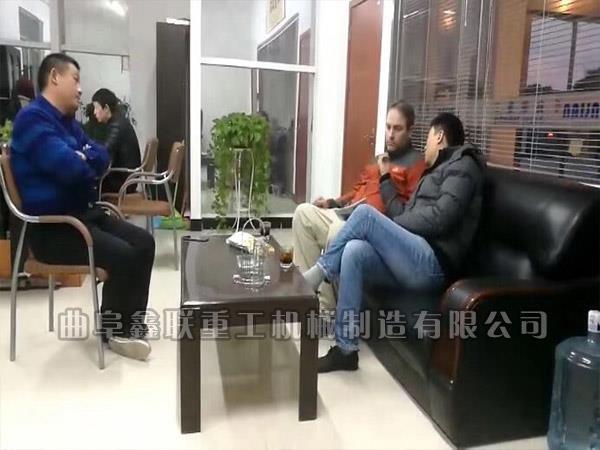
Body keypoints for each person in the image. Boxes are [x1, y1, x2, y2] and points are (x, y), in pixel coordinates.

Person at [302, 112, 486, 373]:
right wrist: (386, 179)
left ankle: (318, 273)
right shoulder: (436, 171)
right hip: (413, 256)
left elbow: (441, 218)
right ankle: (345, 350)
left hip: (434, 262)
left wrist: (390, 225)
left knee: (365, 215)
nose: (425, 146)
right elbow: (402, 213)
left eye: (428, 138)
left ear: (439, 136)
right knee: (354, 251)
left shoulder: (464, 165)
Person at [10, 53, 155, 361]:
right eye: (75, 80)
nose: (80, 89)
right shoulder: (32, 120)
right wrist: (82, 157)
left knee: (144, 242)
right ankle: (114, 332)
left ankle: (129, 324)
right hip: (55, 227)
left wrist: (82, 155)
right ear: (54, 77)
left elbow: (102, 158)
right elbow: (71, 169)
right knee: (123, 254)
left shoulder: (68, 124)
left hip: (83, 216)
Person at [293, 101, 426, 311]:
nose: (390, 135)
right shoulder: (378, 159)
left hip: (371, 227)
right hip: (348, 213)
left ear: (410, 131)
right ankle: (308, 300)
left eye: (397, 129)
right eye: (388, 127)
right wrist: (333, 202)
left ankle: (326, 310)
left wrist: (386, 176)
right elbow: (357, 191)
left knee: (337, 231)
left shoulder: (417, 164)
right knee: (303, 213)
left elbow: (406, 211)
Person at [92, 88, 141, 193]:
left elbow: (105, 151)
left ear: (106, 108)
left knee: (89, 183)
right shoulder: (119, 120)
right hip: (129, 178)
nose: (94, 112)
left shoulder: (116, 125)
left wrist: (87, 152)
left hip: (124, 182)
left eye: (96, 108)